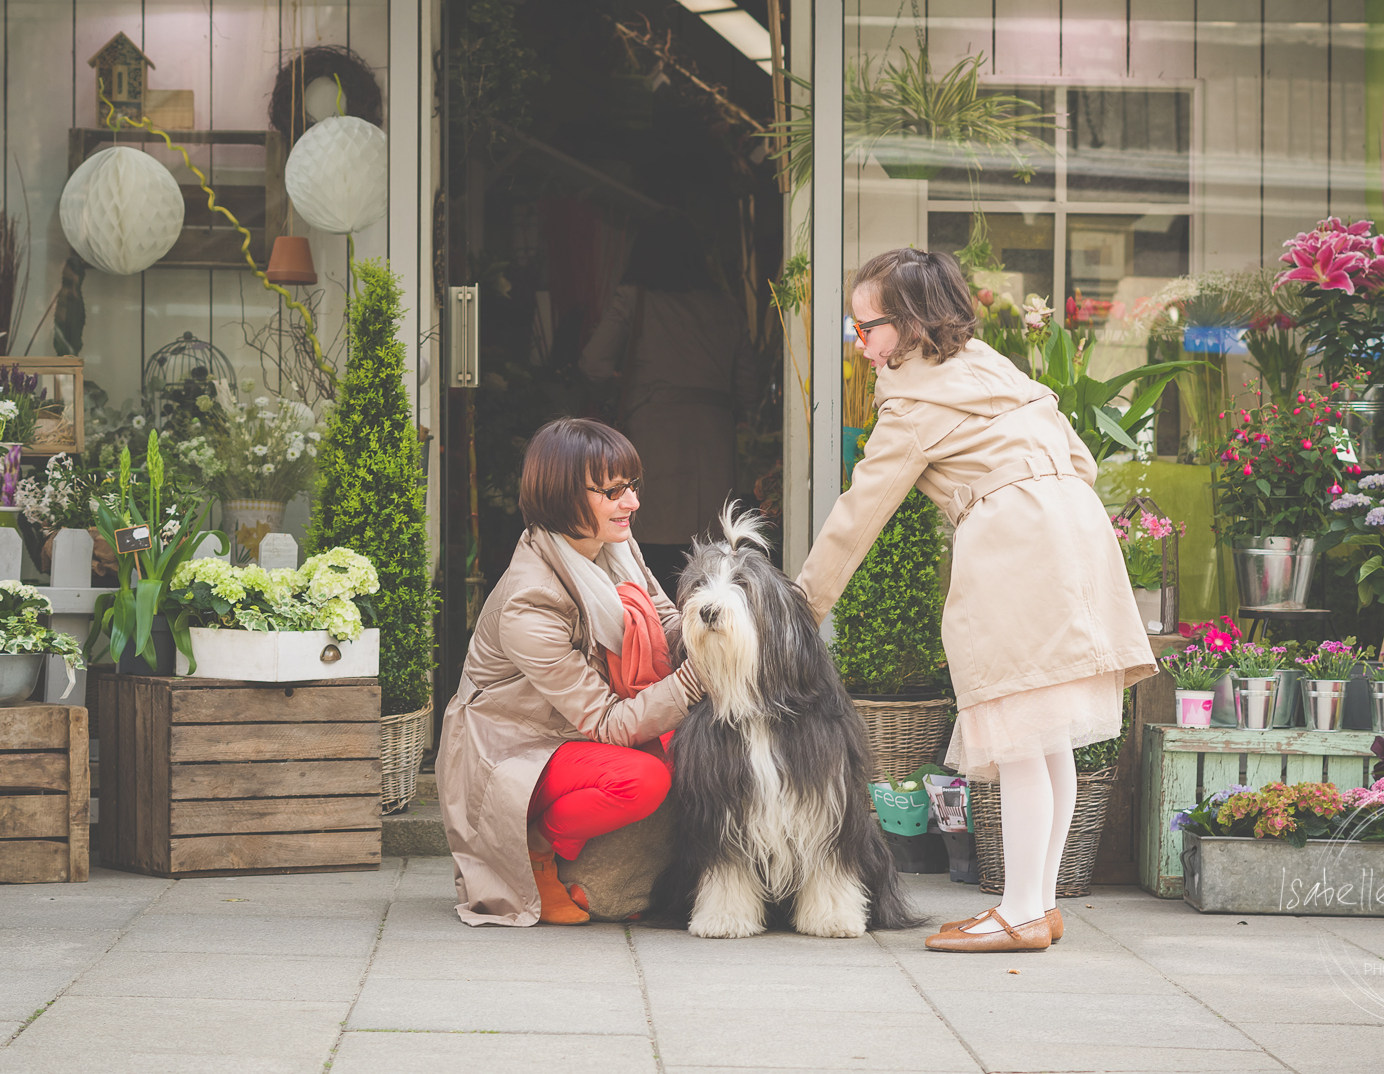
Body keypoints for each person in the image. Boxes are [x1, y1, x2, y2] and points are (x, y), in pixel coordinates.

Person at [796, 248, 1156, 954]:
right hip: (1076, 527)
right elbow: (1079, 457)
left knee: (1019, 724)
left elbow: (857, 515)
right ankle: (1040, 905)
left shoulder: (913, 401)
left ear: (906, 324)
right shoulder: (990, 365)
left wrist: (798, 611)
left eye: (865, 328)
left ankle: (1020, 912)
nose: (860, 344)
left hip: (1014, 537)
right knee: (1047, 731)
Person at [436, 418, 704, 927]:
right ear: (562, 497)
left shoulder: (613, 544)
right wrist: (697, 680)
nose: (633, 503)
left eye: (632, 486)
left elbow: (667, 619)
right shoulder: (530, 602)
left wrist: (720, 628)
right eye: (613, 491)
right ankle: (537, 850)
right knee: (644, 779)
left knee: (691, 749)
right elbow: (606, 724)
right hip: (515, 747)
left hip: (568, 732)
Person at [580, 212, 759, 595]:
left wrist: (626, 394)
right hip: (714, 446)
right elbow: (749, 387)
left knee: (648, 562)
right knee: (712, 567)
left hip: (652, 438)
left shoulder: (634, 298)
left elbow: (593, 364)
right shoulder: (726, 307)